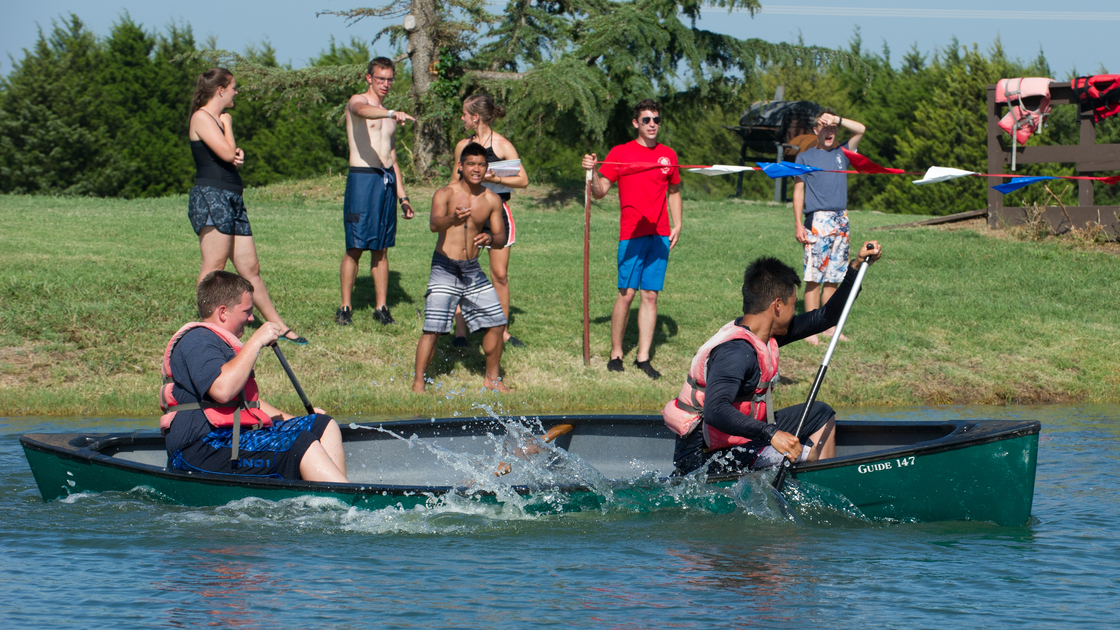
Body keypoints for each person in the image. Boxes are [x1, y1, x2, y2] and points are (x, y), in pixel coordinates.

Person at [664, 242, 882, 477]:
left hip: (740, 440)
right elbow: (715, 410)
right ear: (778, 304)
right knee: (804, 454)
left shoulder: (766, 334)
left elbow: (827, 316)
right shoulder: (735, 352)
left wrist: (857, 267)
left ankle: (824, 480)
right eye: (792, 303)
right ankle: (810, 494)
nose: (793, 312)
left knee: (820, 413)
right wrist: (771, 433)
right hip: (704, 459)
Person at [159, 271, 348, 482]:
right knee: (300, 443)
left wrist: (297, 420)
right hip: (200, 449)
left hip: (232, 440)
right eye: (247, 311)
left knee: (321, 425)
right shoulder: (198, 340)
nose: (251, 319)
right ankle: (344, 503)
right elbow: (223, 391)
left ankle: (340, 494)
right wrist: (257, 340)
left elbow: (248, 405)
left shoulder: (220, 344)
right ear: (223, 312)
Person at [187, 68, 306, 345]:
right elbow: (227, 152)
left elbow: (229, 154)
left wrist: (235, 151)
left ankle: (279, 325)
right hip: (212, 196)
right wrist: (228, 128)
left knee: (250, 268)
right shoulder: (202, 117)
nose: (236, 92)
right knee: (214, 265)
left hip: (232, 197)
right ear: (220, 90)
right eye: (233, 88)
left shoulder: (216, 119)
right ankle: (203, 328)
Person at [580, 99, 682, 379]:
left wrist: (678, 223)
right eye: (647, 120)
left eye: (656, 120)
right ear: (636, 123)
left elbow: (674, 190)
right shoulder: (620, 152)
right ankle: (616, 354)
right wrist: (591, 172)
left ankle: (643, 357)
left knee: (650, 296)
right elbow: (600, 191)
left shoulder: (668, 155)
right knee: (627, 294)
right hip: (631, 233)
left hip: (659, 233)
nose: (652, 124)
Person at [413, 144, 510, 393]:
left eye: (481, 165)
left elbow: (500, 237)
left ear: (486, 168)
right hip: (444, 267)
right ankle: (418, 383)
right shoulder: (445, 193)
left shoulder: (492, 199)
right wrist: (453, 220)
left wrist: (490, 239)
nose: (476, 169)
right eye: (471, 164)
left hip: (472, 270)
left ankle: (492, 379)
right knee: (433, 328)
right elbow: (434, 224)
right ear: (460, 166)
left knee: (497, 323)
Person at [336, 57, 417, 327]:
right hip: (362, 180)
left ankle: (381, 307)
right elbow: (363, 111)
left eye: (389, 79)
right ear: (369, 78)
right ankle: (345, 306)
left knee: (381, 248)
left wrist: (403, 197)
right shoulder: (358, 101)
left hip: (385, 182)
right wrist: (390, 113)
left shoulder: (389, 116)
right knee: (355, 246)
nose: (385, 84)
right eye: (380, 78)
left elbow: (392, 158)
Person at [449, 94, 529, 348]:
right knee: (462, 271)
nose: (461, 118)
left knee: (500, 275)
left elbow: (523, 180)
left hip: (497, 213)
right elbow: (453, 182)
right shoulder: (463, 145)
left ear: (476, 117)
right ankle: (460, 330)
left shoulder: (503, 145)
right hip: (468, 214)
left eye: (464, 114)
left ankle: (501, 330)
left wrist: (496, 179)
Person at [792, 109, 867, 345]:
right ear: (816, 130)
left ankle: (829, 326)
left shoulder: (843, 153)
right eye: (825, 127)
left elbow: (861, 129)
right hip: (817, 221)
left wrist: (837, 120)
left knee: (834, 278)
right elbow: (798, 190)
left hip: (841, 220)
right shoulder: (804, 158)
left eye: (833, 128)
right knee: (814, 278)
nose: (830, 132)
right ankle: (810, 329)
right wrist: (797, 224)